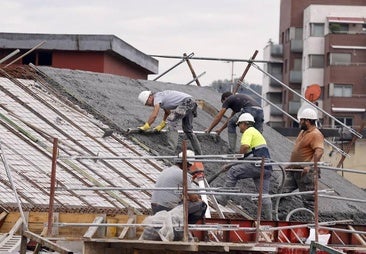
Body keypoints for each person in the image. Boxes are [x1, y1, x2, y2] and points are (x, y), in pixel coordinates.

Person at [221, 113, 273, 220]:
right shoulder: (256, 133)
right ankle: (270, 219)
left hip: (258, 165)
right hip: (266, 167)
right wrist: (232, 163)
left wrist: (233, 163)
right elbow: (248, 155)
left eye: (239, 124)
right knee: (264, 194)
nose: (239, 127)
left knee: (233, 172)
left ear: (245, 124)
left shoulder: (248, 132)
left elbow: (244, 148)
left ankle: (222, 198)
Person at [284, 107, 324, 211]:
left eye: (302, 120)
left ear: (308, 121)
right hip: (295, 170)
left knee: (309, 199)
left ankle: (311, 223)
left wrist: (309, 165)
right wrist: (290, 165)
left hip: (306, 172)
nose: (300, 122)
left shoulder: (316, 134)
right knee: (282, 192)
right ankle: (281, 216)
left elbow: (319, 151)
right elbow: (298, 151)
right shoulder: (303, 132)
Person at [137, 90, 202, 155]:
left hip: (186, 102)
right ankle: (199, 154)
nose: (150, 105)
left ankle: (171, 148)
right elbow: (167, 112)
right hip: (192, 102)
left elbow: (154, 114)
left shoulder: (157, 98)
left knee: (171, 122)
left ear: (150, 97)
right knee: (188, 130)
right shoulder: (161, 98)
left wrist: (147, 125)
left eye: (148, 103)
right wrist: (162, 124)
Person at [150, 150, 207, 224]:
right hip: (167, 208)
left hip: (154, 206)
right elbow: (193, 198)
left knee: (182, 202)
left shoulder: (166, 170)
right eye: (189, 165)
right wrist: (198, 199)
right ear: (185, 163)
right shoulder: (183, 175)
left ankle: (178, 225)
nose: (189, 168)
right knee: (202, 205)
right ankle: (184, 228)